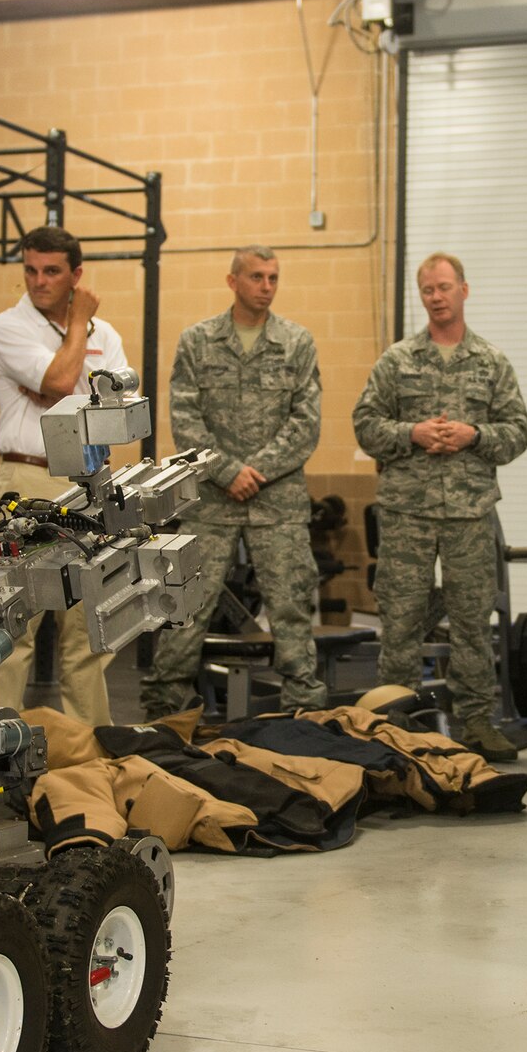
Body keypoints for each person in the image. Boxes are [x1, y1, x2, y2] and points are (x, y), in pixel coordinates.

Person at [353, 253, 527, 763]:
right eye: (428, 289)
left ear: (464, 291)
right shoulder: (397, 360)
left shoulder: (491, 362)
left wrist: (475, 435)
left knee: (473, 622)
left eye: (445, 287)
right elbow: (365, 424)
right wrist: (412, 432)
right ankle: (393, 724)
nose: (436, 296)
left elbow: (517, 433)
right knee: (402, 618)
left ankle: (477, 721)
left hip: (470, 515)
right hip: (407, 514)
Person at [143, 247, 325, 719]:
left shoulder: (297, 342)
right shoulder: (198, 341)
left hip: (276, 499)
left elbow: (306, 421)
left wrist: (255, 471)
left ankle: (303, 710)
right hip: (211, 498)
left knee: (290, 605)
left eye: (273, 277)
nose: (267, 285)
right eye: (257, 276)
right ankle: (166, 708)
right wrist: (226, 471)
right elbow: (184, 418)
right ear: (233, 281)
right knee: (187, 602)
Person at [0, 225, 129, 726]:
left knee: (89, 628)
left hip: (88, 483)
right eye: (30, 270)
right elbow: (64, 382)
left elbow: (115, 414)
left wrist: (61, 393)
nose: (38, 281)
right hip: (29, 483)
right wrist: (78, 326)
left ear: (76, 274)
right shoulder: (6, 327)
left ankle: (94, 751)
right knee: (15, 624)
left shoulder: (105, 335)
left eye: (51, 271)